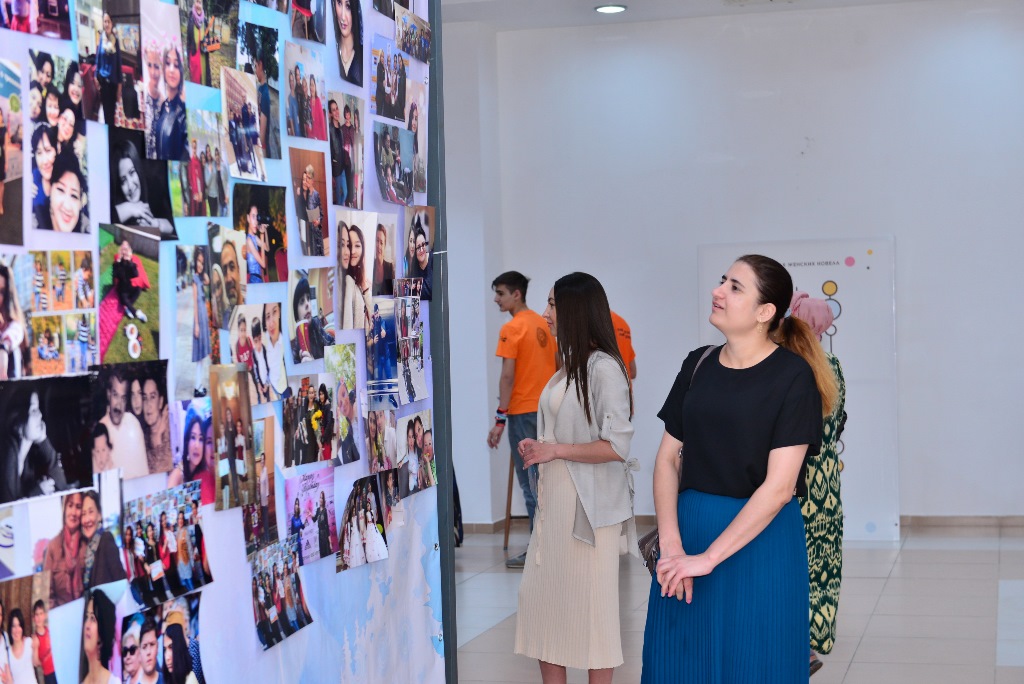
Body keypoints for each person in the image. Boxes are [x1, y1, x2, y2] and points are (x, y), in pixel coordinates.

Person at [641, 255, 838, 683]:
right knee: (681, 662)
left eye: (735, 287)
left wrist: (708, 559)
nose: (718, 291)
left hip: (760, 541)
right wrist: (672, 547)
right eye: (722, 281)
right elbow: (667, 459)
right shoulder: (697, 363)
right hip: (688, 532)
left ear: (765, 312)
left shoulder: (793, 377)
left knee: (754, 661)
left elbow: (779, 488)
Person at [512, 273, 636, 682]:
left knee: (593, 618)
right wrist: (541, 445)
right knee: (543, 609)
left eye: (552, 304)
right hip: (554, 506)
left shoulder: (605, 368)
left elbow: (616, 446)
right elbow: (565, 432)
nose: (546, 313)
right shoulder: (570, 366)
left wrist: (556, 450)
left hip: (588, 511)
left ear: (575, 310)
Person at [782, 292, 847, 675]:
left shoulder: (781, 366)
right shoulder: (831, 365)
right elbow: (838, 424)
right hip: (825, 486)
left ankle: (785, 643)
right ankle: (809, 644)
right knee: (820, 565)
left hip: (788, 483)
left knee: (784, 565)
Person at [486, 271, 557, 568]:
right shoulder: (543, 323)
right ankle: (551, 547)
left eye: (501, 293)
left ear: (517, 294)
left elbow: (507, 376)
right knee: (547, 482)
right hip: (547, 410)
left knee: (531, 485)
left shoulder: (512, 328)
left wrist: (499, 420)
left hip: (522, 412)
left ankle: (539, 551)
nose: (496, 299)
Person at [0, 386, 67, 503]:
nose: (40, 415)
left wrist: (43, 440)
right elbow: (9, 508)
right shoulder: (8, 453)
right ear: (19, 419)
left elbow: (62, 486)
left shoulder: (28, 458)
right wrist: (38, 492)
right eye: (34, 410)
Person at [111, 138, 175, 237]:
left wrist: (155, 224)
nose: (130, 186)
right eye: (123, 181)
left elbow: (173, 225)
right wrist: (129, 208)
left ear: (138, 169)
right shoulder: (113, 203)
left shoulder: (154, 188)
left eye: (132, 173)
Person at [100, 367, 147, 478]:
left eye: (123, 398)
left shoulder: (133, 423)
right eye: (115, 395)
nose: (119, 405)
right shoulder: (100, 431)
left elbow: (144, 471)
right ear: (108, 394)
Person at [43, 492, 84, 608]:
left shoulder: (87, 545)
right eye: (70, 506)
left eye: (78, 507)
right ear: (64, 509)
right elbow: (47, 594)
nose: (74, 512)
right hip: (61, 613)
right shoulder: (53, 546)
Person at [81, 491, 126, 591]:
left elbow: (120, 581)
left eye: (91, 512)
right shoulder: (84, 549)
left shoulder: (106, 539)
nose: (87, 519)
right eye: (83, 514)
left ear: (99, 515)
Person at [39, 152, 89, 233]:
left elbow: (110, 239)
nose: (67, 206)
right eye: (61, 190)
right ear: (50, 191)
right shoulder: (33, 222)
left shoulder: (91, 229)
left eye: (74, 196)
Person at [291, 275, 334, 363]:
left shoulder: (316, 324)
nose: (307, 304)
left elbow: (332, 344)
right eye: (302, 301)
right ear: (296, 314)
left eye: (308, 298)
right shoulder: (295, 349)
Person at [155, 44, 186, 161]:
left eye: (176, 65)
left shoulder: (184, 112)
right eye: (168, 63)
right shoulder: (163, 106)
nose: (172, 70)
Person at [339, 222, 369, 329]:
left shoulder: (360, 282)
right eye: (349, 245)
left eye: (357, 245)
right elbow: (347, 327)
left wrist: (364, 285)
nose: (352, 251)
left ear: (363, 249)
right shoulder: (348, 281)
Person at [0, 262, 26, 380]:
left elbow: (15, 330)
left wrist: (4, 347)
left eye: (1, 292)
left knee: (13, 352)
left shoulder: (12, 327)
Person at [190, 249, 210, 397]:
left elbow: (208, 280)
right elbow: (195, 304)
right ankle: (197, 387)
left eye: (202, 262)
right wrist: (196, 324)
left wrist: (204, 270)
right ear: (194, 260)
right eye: (198, 261)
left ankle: (199, 384)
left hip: (204, 317)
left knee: (202, 356)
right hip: (199, 319)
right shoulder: (194, 279)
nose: (200, 264)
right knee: (199, 356)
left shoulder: (201, 278)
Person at [112, 240, 148, 322]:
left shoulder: (131, 263)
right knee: (124, 299)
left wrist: (130, 262)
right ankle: (137, 313)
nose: (124, 252)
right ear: (120, 251)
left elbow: (135, 275)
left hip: (129, 286)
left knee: (138, 289)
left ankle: (128, 308)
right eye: (123, 249)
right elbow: (116, 275)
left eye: (126, 249)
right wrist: (118, 262)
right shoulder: (117, 263)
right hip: (122, 289)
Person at [96, 14, 122, 126]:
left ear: (112, 24)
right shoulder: (101, 39)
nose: (106, 24)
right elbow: (98, 59)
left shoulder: (116, 41)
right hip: (103, 84)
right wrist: (95, 77)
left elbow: (119, 63)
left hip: (113, 84)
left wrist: (119, 87)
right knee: (106, 114)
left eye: (108, 21)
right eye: (105, 21)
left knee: (112, 115)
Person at [143, 40, 164, 159]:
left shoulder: (164, 103)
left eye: (156, 66)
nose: (152, 72)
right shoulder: (142, 94)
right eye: (149, 65)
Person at [263, 303, 289, 399]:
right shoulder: (266, 338)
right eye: (267, 316)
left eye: (274, 312)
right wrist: (267, 383)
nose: (271, 323)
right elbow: (269, 366)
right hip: (274, 387)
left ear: (280, 313)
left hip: (285, 390)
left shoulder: (285, 342)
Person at [3, 609, 34, 684]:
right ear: (10, 629)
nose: (16, 630)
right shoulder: (7, 653)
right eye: (14, 626)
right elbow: (9, 681)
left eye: (19, 625)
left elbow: (38, 661)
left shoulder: (29, 642)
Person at [32, 601, 57, 684]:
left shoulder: (50, 631)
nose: (39, 617)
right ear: (33, 618)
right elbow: (35, 663)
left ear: (45, 615)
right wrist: (35, 648)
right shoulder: (35, 638)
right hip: (48, 675)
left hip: (58, 669)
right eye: (36, 614)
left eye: (41, 613)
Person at [609, 310, 637, 380]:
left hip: (607, 384)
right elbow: (633, 372)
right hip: (624, 385)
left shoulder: (599, 322)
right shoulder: (623, 323)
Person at [186, 0, 208, 87]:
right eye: (197, 2)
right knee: (195, 82)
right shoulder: (190, 20)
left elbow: (209, 42)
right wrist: (188, 60)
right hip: (194, 57)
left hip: (203, 57)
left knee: (203, 81)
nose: (198, 5)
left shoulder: (205, 21)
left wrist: (212, 43)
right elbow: (188, 41)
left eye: (200, 3)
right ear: (194, 3)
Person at [245, 205, 269, 283]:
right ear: (248, 218)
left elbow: (267, 248)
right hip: (254, 280)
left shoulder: (254, 238)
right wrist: (261, 235)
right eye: (253, 216)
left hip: (259, 279)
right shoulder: (248, 240)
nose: (256, 221)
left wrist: (264, 230)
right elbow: (263, 264)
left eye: (257, 217)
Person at [136, 617, 163, 684]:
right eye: (144, 647)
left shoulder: (168, 681)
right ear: (139, 651)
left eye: (152, 644)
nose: (148, 652)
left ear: (157, 647)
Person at [372, 224, 395, 296]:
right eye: (377, 241)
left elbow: (392, 294)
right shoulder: (370, 266)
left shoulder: (390, 268)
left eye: (381, 243)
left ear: (384, 246)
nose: (378, 246)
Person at [318, 383, 334, 461]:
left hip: (326, 438)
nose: (321, 396)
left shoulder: (327, 406)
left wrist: (323, 438)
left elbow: (328, 423)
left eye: (322, 394)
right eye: (320, 394)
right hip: (322, 435)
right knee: (322, 458)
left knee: (326, 458)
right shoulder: (322, 405)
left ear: (325, 394)